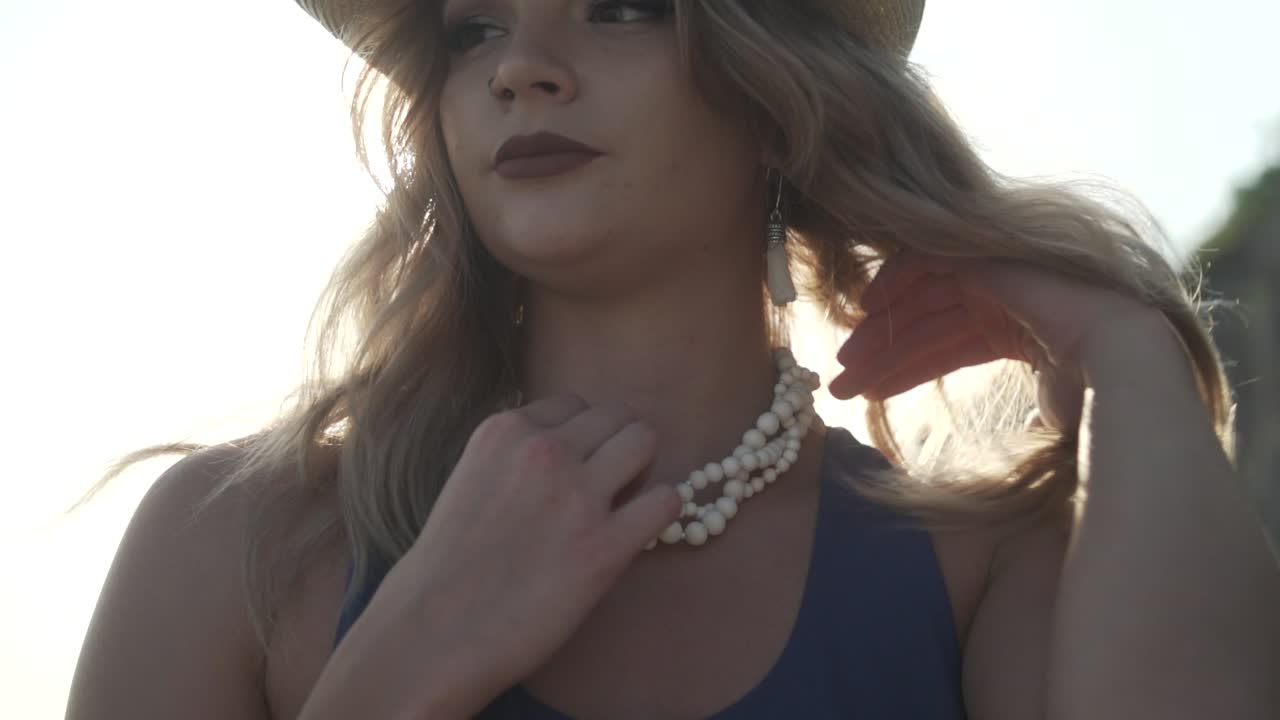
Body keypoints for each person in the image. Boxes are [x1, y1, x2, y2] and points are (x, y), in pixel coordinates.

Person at [66, 1, 1280, 718]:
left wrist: (1127, 358)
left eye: (621, 5)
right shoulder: (237, 545)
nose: (518, 67)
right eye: (474, 27)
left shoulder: (972, 570)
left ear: (774, 92)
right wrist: (403, 663)